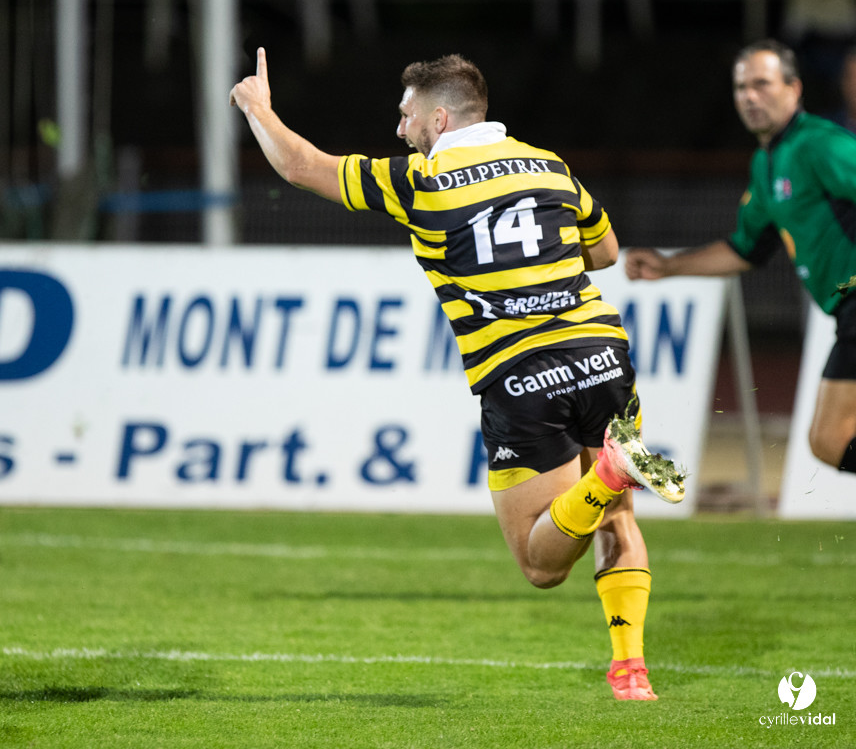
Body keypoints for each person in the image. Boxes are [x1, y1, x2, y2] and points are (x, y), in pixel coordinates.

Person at [230, 48, 684, 701]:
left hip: (521, 371)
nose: (399, 129)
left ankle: (609, 473)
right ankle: (629, 667)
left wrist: (258, 109)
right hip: (603, 356)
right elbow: (606, 252)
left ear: (439, 119)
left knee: (541, 561)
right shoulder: (548, 166)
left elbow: (303, 166)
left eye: (406, 114)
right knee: (616, 521)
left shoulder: (422, 180)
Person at [627, 39, 856, 474]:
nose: (750, 96)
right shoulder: (767, 163)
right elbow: (745, 249)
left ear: (794, 88)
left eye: (762, 84)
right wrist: (670, 266)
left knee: (830, 439)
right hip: (847, 313)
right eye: (741, 87)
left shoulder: (820, 144)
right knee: (829, 441)